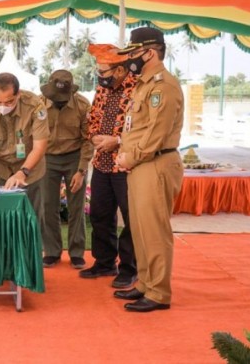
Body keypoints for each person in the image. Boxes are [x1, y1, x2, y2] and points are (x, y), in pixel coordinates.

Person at [114, 27, 184, 312]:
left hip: (154, 163)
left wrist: (130, 157)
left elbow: (156, 134)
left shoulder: (162, 86)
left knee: (154, 231)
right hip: (141, 165)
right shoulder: (144, 84)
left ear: (150, 53)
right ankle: (145, 282)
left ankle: (158, 292)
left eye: (133, 52)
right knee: (140, 228)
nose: (129, 58)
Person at [79, 44, 137, 288]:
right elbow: (92, 120)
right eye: (98, 72)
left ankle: (129, 268)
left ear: (122, 70)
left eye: (105, 72)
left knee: (132, 219)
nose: (100, 77)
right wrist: (94, 137)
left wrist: (118, 141)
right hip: (101, 164)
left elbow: (145, 129)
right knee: (100, 215)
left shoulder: (139, 89)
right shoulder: (102, 91)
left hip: (127, 166)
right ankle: (104, 263)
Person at [0, 72, 49, 222]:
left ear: (18, 94)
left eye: (8, 102)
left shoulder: (35, 106)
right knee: (1, 221)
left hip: (30, 170)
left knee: (32, 220)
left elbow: (40, 146)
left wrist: (23, 173)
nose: (3, 106)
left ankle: (33, 246)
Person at [39, 70, 93, 269]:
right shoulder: (39, 104)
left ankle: (77, 252)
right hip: (47, 158)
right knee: (47, 206)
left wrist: (81, 170)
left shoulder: (82, 105)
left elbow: (88, 140)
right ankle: (52, 252)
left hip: (74, 158)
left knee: (77, 207)